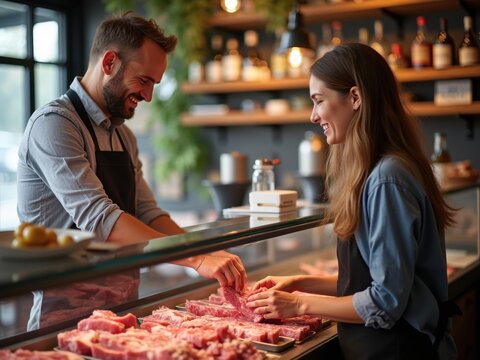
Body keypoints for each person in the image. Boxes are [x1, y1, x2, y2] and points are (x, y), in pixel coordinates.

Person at [246, 43, 458, 360]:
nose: (313, 115)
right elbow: (376, 281)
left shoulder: (387, 179)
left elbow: (386, 301)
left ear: (355, 98)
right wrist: (299, 283)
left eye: (319, 101)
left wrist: (298, 304)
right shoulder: (380, 170)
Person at [17, 12, 246, 292]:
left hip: (121, 302)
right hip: (61, 310)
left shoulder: (124, 135)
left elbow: (148, 213)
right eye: (143, 80)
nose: (148, 96)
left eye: (154, 85)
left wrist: (204, 249)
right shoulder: (54, 125)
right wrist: (197, 259)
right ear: (110, 62)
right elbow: (99, 218)